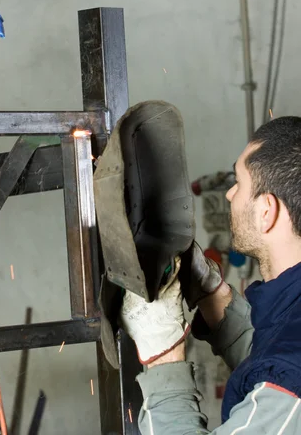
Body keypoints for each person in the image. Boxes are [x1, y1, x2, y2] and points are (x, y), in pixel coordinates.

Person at [121, 116, 301, 434]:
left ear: (266, 212)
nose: (230, 194)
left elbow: (284, 375)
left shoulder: (289, 385)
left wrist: (163, 353)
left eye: (239, 183)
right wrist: (215, 300)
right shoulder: (290, 321)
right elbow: (277, 352)